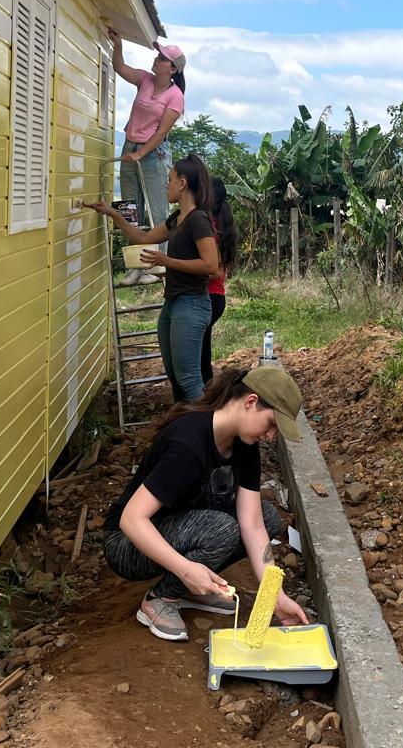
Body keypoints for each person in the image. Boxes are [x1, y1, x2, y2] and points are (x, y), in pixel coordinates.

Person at [101, 366, 311, 641]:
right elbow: (131, 520)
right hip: (127, 543)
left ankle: (187, 587)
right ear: (251, 402)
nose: (271, 436)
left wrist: (275, 596)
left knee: (268, 516)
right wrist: (186, 569)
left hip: (179, 527)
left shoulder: (245, 446)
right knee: (221, 529)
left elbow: (253, 522)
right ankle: (160, 598)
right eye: (271, 424)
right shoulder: (189, 443)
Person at [90, 154, 218, 403]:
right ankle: (186, 432)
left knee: (190, 380)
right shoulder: (176, 220)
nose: (165, 185)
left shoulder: (198, 221)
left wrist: (167, 261)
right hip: (173, 305)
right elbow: (143, 238)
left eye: (169, 180)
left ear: (182, 184)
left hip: (192, 305)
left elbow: (211, 265)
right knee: (176, 378)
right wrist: (113, 214)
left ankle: (211, 435)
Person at [108, 27, 186, 285]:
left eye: (162, 58)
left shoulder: (175, 97)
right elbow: (120, 67)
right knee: (129, 209)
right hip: (131, 148)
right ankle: (136, 265)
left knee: (156, 210)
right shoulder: (145, 80)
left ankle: (157, 267)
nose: (157, 59)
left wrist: (141, 152)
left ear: (172, 69)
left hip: (153, 154)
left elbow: (162, 131)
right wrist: (117, 43)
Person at [202, 178, 238, 384]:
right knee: (202, 348)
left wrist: (176, 268)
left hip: (210, 297)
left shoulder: (209, 228)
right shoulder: (219, 224)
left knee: (200, 351)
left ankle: (204, 394)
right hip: (216, 297)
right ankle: (206, 389)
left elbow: (216, 272)